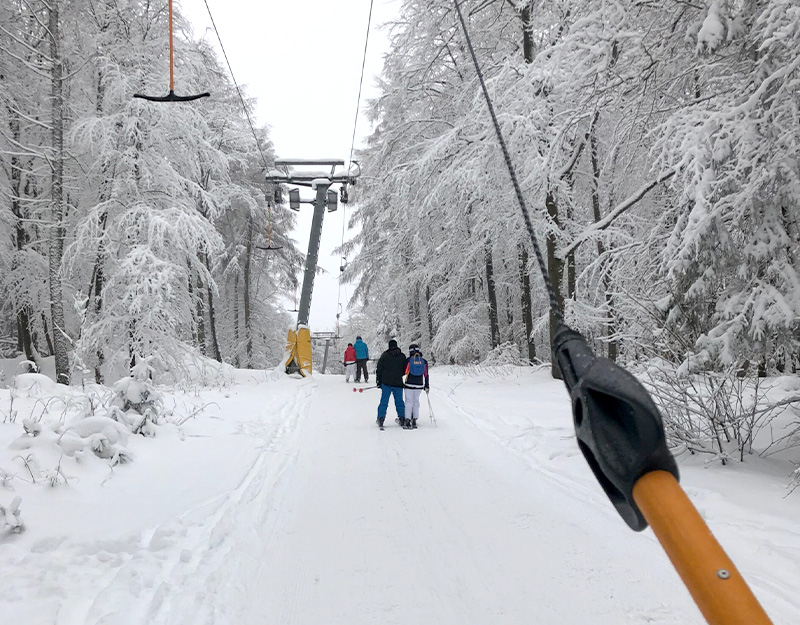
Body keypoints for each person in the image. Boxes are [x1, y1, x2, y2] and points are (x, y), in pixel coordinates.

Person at [375, 339, 407, 429]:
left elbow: (379, 369)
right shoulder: (402, 356)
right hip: (398, 383)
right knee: (399, 402)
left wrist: (378, 381)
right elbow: (405, 370)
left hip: (386, 383)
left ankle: (381, 418)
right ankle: (402, 417)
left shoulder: (384, 356)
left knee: (384, 402)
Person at [403, 344, 430, 429]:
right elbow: (426, 374)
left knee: (408, 402)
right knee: (416, 402)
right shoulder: (424, 361)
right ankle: (414, 420)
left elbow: (405, 371)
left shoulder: (408, 360)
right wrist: (427, 385)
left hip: (409, 384)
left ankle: (407, 421)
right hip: (419, 384)